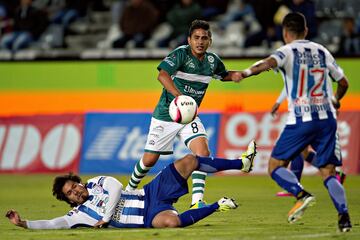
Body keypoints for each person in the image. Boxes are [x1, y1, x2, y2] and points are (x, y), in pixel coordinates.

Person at [237, 12, 351, 232]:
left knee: (275, 166)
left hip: (301, 118)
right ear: (306, 31)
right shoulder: (322, 51)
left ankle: (301, 194)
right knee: (329, 171)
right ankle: (344, 218)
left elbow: (267, 63)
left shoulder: (286, 51)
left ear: (285, 32)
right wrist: (335, 100)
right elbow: (343, 82)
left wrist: (246, 72)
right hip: (327, 119)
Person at [125, 19, 244, 209]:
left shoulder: (212, 61)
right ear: (189, 39)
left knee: (202, 152)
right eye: (196, 37)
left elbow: (225, 75)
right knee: (149, 159)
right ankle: (128, 191)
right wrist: (180, 97)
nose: (200, 41)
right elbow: (162, 75)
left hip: (189, 116)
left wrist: (243, 74)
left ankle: (197, 202)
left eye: (204, 38)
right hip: (167, 113)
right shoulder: (180, 54)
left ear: (210, 41)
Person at [5, 141, 256, 229]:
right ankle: (218, 205)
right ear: (69, 200)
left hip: (149, 192)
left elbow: (115, 187)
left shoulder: (97, 183)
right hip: (148, 217)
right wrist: (24, 224)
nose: (77, 191)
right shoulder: (78, 215)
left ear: (79, 182)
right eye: (71, 193)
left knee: (189, 160)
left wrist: (105, 216)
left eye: (75, 186)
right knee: (171, 223)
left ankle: (241, 163)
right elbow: (53, 223)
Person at [271, 88, 346, 197]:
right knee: (304, 152)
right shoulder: (311, 77)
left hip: (309, 114)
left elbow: (289, 87)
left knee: (297, 149)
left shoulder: (304, 77)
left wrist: (278, 102)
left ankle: (295, 185)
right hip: (315, 114)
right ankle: (335, 173)